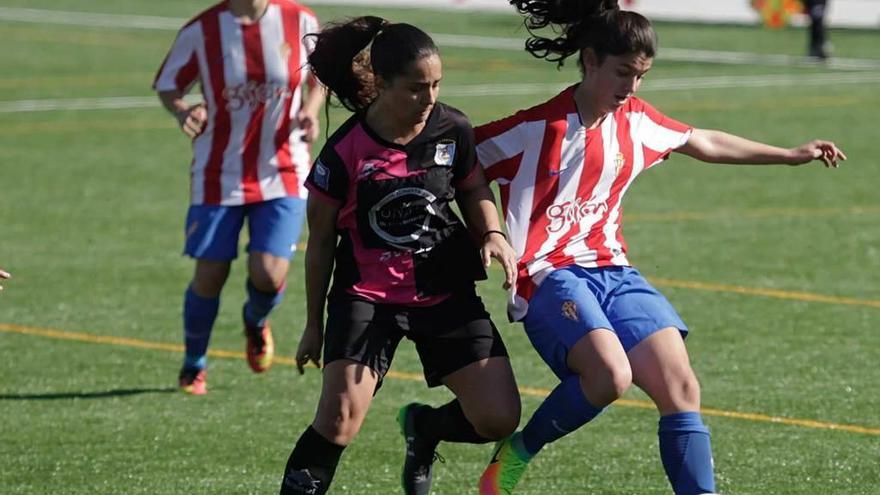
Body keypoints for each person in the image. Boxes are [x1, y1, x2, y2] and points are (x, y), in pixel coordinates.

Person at [474, 1, 846, 494]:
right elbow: (460, 162)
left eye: (641, 76)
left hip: (613, 270)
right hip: (546, 274)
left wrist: (788, 155)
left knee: (681, 388)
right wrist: (490, 229)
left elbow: (703, 142)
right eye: (622, 72)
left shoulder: (636, 120)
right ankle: (518, 453)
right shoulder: (537, 129)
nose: (630, 87)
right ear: (589, 61)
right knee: (610, 376)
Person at [277, 16, 522, 495]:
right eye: (415, 88)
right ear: (382, 85)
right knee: (339, 419)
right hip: (368, 299)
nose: (428, 98)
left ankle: (425, 429)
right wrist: (313, 324)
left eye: (436, 85)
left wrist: (491, 231)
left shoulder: (452, 128)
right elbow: (321, 242)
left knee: (498, 418)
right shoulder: (343, 151)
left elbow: (473, 188)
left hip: (443, 289)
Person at [153, 0, 325, 395]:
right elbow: (168, 85)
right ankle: (194, 363)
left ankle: (256, 320)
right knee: (210, 275)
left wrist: (311, 111)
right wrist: (182, 111)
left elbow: (322, 77)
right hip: (219, 172)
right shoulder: (203, 29)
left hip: (283, 167)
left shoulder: (299, 20)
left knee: (268, 274)